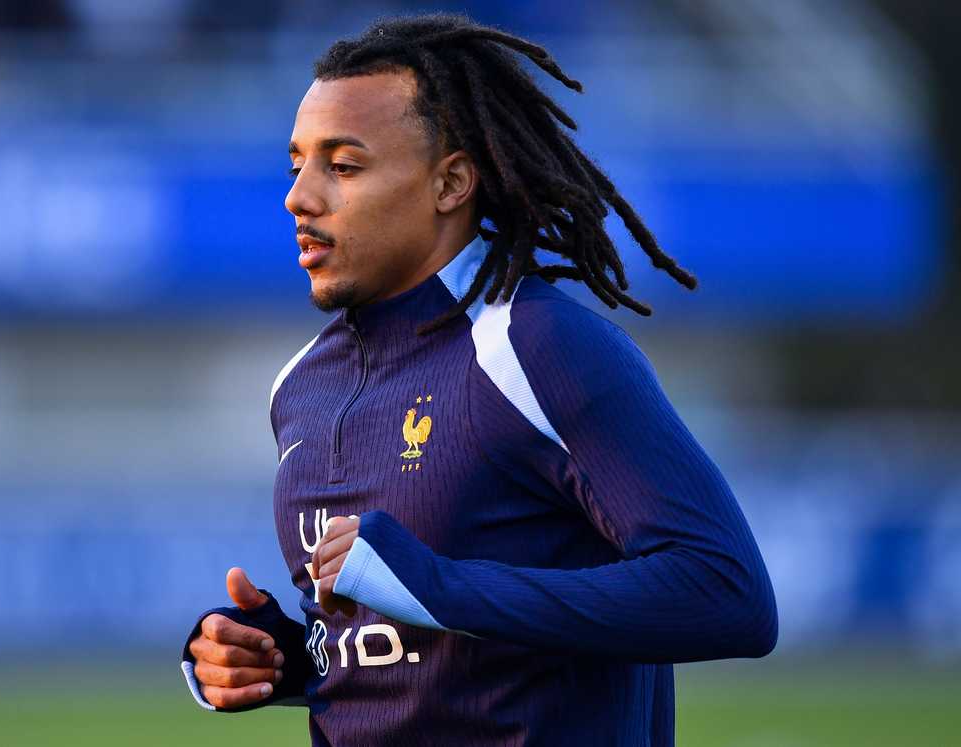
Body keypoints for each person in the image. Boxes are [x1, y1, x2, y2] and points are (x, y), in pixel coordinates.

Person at [180, 13, 777, 746]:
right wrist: (289, 658)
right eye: (296, 164)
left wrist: (439, 585)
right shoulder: (300, 385)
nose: (299, 197)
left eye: (343, 165)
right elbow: (416, 647)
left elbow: (728, 593)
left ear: (452, 182)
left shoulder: (538, 347)